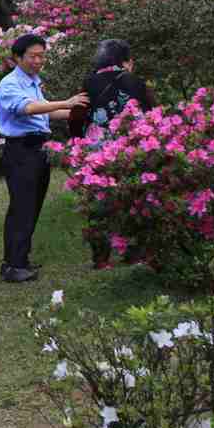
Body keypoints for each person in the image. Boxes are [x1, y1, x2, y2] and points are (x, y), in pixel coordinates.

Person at [0, 35, 87, 283]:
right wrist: (67, 102)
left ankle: (20, 259)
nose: (38, 61)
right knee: (22, 207)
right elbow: (28, 108)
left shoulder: (32, 82)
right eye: (33, 56)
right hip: (21, 150)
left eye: (41, 55)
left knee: (33, 205)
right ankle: (13, 265)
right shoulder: (10, 84)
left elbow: (46, 110)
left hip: (38, 148)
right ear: (17, 57)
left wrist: (78, 112)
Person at [71, 39, 156, 268]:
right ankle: (135, 253)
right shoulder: (136, 82)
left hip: (96, 150)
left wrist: (78, 142)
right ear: (126, 60)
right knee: (135, 198)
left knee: (98, 201)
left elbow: (77, 115)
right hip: (131, 148)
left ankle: (101, 258)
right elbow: (151, 114)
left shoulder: (89, 81)